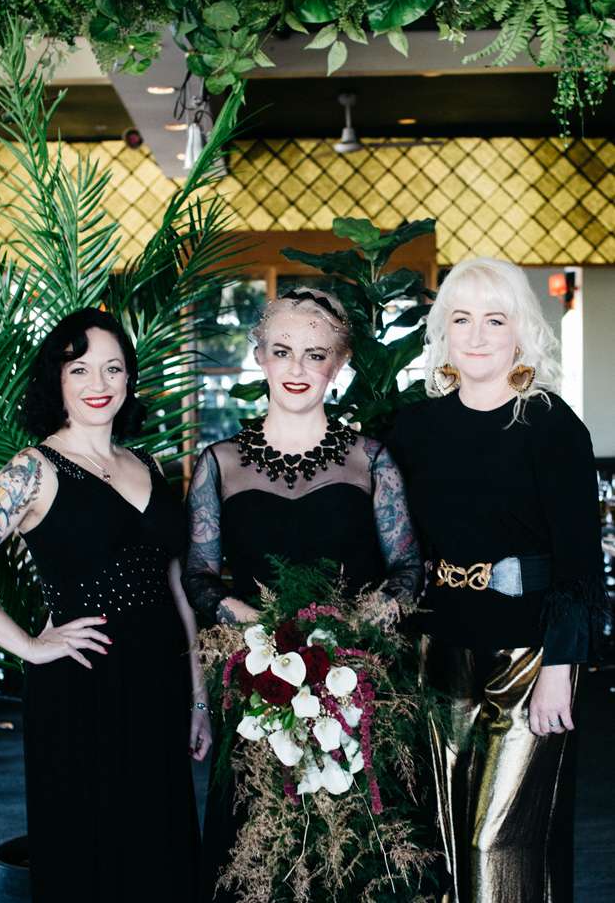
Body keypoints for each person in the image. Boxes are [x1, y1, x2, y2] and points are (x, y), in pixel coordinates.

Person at [0, 307, 210, 903]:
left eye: (113, 369)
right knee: (90, 856)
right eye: (81, 369)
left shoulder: (148, 465)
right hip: (81, 687)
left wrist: (197, 696)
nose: (99, 383)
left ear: (129, 379)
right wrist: (29, 646)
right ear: (57, 380)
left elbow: (176, 586)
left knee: (161, 851)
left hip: (159, 684)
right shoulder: (33, 471)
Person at [182, 287, 424, 902]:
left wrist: (352, 631)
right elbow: (199, 578)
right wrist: (260, 630)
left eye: (315, 355)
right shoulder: (219, 463)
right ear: (259, 355)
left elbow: (406, 570)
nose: (297, 368)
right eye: (283, 350)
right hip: (258, 686)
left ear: (337, 365)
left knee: (356, 861)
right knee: (260, 858)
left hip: (357, 689)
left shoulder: (372, 459)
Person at [387, 258, 606, 903]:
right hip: (437, 653)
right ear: (443, 331)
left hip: (530, 656)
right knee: (442, 834)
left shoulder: (552, 425)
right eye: (462, 319)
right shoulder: (414, 429)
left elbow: (579, 563)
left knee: (499, 839)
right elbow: (395, 544)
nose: (477, 335)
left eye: (495, 319)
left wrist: (560, 669)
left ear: (520, 330)